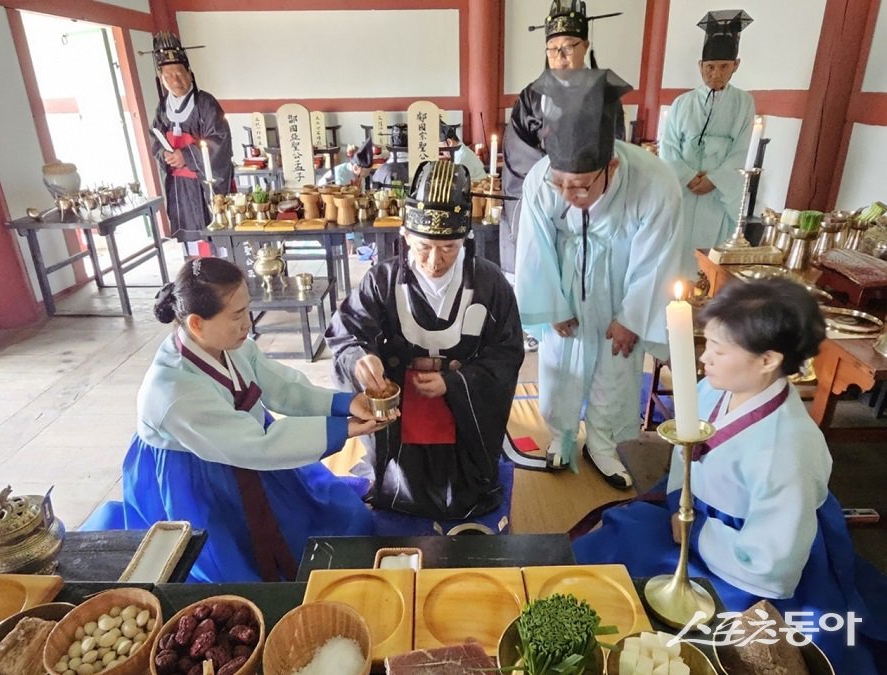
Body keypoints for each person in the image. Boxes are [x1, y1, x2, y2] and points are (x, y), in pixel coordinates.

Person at [572, 278, 887, 674]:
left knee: (677, 619)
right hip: (693, 516)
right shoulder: (717, 389)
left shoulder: (789, 449)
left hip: (748, 553)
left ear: (769, 360)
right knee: (612, 543)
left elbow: (774, 564)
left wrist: (697, 532)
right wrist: (681, 510)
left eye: (719, 350)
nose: (705, 360)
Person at [121, 257, 381, 583]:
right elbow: (258, 446)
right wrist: (341, 429)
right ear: (196, 324)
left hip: (248, 442)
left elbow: (280, 385)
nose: (248, 323)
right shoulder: (173, 393)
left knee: (319, 517)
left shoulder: (229, 344)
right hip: (196, 473)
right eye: (236, 316)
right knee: (229, 563)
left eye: (247, 310)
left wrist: (345, 403)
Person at [326, 160, 524, 520]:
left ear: (465, 239)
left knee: (465, 488)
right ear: (405, 237)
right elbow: (347, 331)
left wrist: (456, 382)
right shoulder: (381, 280)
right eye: (423, 247)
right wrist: (359, 357)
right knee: (401, 481)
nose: (435, 261)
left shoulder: (490, 283)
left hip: (465, 399)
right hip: (402, 395)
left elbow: (506, 353)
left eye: (448, 248)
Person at [515, 67, 686, 484]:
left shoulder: (654, 181)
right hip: (566, 280)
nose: (567, 197)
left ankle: (606, 445)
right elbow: (534, 243)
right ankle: (561, 435)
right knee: (561, 362)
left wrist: (632, 317)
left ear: (610, 165)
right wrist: (551, 303)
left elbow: (657, 256)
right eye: (560, 184)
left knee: (616, 366)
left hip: (624, 283)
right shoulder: (542, 180)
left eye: (579, 187)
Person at [500, 0, 624, 284]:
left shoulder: (605, 96)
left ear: (586, 45)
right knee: (544, 278)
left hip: (592, 201)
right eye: (553, 49)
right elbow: (517, 154)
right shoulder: (531, 97)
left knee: (588, 281)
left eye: (568, 47)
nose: (561, 57)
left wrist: (585, 180)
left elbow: (617, 150)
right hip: (542, 200)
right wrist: (556, 179)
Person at [660, 10, 755, 253]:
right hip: (684, 189)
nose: (716, 74)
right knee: (675, 250)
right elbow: (669, 148)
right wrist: (689, 176)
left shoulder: (743, 103)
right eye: (710, 67)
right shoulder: (682, 102)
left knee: (709, 253)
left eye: (724, 66)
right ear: (700, 65)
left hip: (717, 192)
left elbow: (740, 149)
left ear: (736, 65)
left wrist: (713, 180)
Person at [148, 32, 233, 252]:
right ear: (162, 80)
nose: (175, 80)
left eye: (179, 73)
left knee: (214, 230)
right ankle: (195, 271)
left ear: (190, 74)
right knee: (190, 236)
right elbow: (155, 138)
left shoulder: (205, 103)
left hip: (204, 180)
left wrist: (186, 155)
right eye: (169, 76)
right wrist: (165, 154)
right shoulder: (163, 107)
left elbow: (220, 140)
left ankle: (219, 270)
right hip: (179, 183)